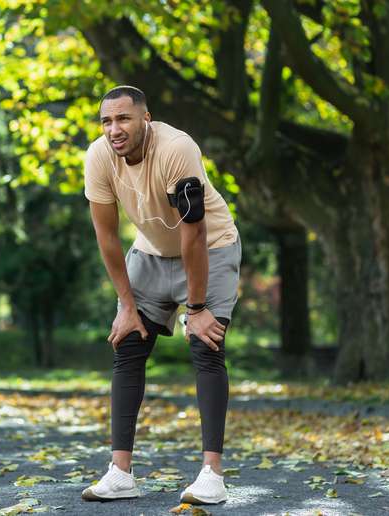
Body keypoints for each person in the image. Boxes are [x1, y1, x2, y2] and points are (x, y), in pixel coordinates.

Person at [80, 85, 241, 505]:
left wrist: (198, 308)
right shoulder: (99, 157)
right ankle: (120, 473)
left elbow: (195, 233)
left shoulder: (177, 149)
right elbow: (107, 236)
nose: (114, 129)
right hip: (149, 254)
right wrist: (127, 307)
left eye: (124, 119)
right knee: (128, 344)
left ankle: (212, 475)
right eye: (106, 121)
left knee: (205, 344)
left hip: (211, 249)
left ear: (145, 119)